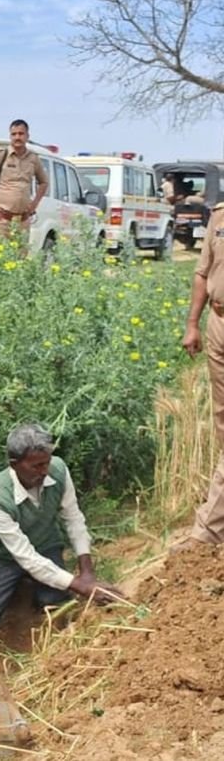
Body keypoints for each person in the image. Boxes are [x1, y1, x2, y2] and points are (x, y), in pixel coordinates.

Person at [0, 424, 120, 701]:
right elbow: (25, 557)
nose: (43, 471)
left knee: (58, 607)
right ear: (14, 464)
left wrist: (87, 571)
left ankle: (62, 678)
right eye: (35, 466)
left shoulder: (57, 469)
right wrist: (79, 584)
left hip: (45, 546)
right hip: (2, 560)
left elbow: (73, 518)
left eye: (46, 463)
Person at [181, 205, 224, 545]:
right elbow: (201, 272)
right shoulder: (220, 216)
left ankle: (210, 529)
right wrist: (193, 324)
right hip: (218, 324)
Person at [0, 119, 49, 237]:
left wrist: (34, 204)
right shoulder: (1, 155)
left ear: (27, 136)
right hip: (0, 220)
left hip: (22, 221)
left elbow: (44, 182)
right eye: (14, 134)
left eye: (21, 134)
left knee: (21, 255)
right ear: (10, 136)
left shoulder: (33, 158)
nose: (17, 137)